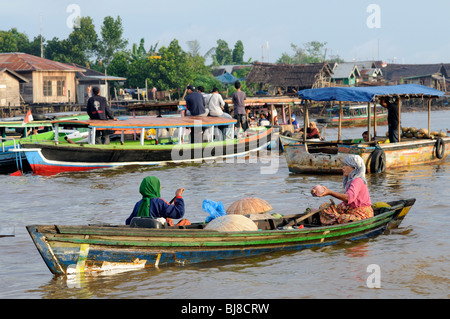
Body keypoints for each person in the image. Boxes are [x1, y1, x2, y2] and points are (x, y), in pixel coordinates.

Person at [313, 154, 374, 225]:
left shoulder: (358, 180)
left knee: (343, 218)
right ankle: (334, 220)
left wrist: (330, 192)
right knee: (324, 206)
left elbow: (348, 198)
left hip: (361, 214)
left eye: (346, 165)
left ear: (354, 167)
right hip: (349, 209)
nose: (343, 168)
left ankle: (334, 221)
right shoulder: (351, 180)